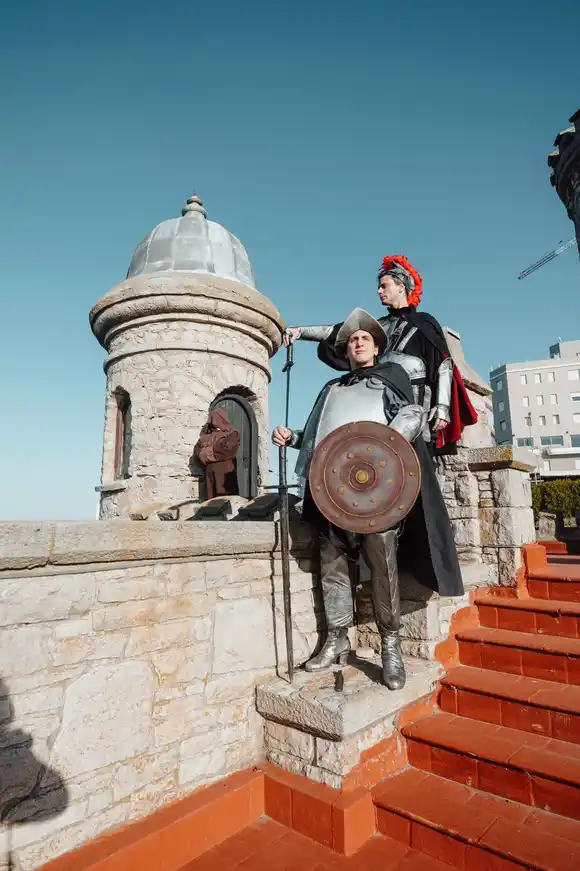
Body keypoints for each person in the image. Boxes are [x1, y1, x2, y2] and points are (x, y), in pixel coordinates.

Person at [272, 308, 464, 691]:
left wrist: (382, 443)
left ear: (377, 347)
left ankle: (390, 646)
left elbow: (412, 415)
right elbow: (315, 439)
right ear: (345, 351)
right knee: (332, 566)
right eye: (352, 341)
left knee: (383, 566)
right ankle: (336, 638)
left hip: (379, 491)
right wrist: (290, 437)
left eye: (364, 339)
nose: (357, 344)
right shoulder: (331, 390)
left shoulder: (389, 380)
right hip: (332, 493)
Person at [283, 255, 477, 456]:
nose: (379, 291)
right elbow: (338, 331)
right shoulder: (380, 326)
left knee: (413, 467)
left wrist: (442, 406)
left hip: (415, 407)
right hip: (381, 406)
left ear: (401, 287)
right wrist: (301, 332)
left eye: (384, 286)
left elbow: (443, 364)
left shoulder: (424, 323)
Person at [193, 409, 240, 500]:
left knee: (225, 500)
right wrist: (215, 448)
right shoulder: (205, 438)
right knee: (210, 501)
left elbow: (227, 449)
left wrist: (207, 452)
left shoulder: (232, 434)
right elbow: (198, 453)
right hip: (209, 473)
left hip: (226, 472)